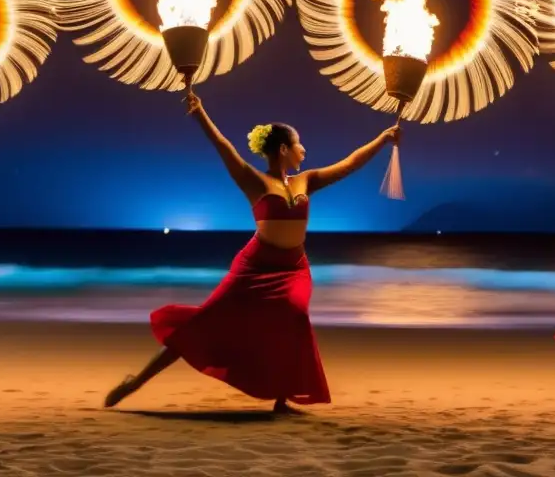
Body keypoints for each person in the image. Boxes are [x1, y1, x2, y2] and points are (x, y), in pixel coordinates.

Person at [103, 91, 400, 413]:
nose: (304, 149)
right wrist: (200, 112)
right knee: (205, 323)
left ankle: (281, 400)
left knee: (295, 318)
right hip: (254, 267)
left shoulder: (306, 180)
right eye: (299, 143)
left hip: (294, 268)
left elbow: (350, 164)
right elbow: (224, 148)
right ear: (284, 149)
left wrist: (382, 139)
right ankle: (137, 380)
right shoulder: (254, 181)